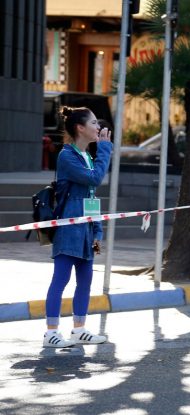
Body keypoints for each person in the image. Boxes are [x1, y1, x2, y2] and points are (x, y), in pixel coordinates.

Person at [42, 106, 112, 348]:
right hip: (68, 227)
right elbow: (94, 179)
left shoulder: (86, 156)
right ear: (80, 128)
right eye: (93, 123)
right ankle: (51, 332)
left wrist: (97, 230)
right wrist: (105, 150)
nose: (98, 127)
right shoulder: (67, 155)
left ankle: (79, 329)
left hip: (85, 229)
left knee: (85, 281)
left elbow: (91, 197)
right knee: (60, 280)